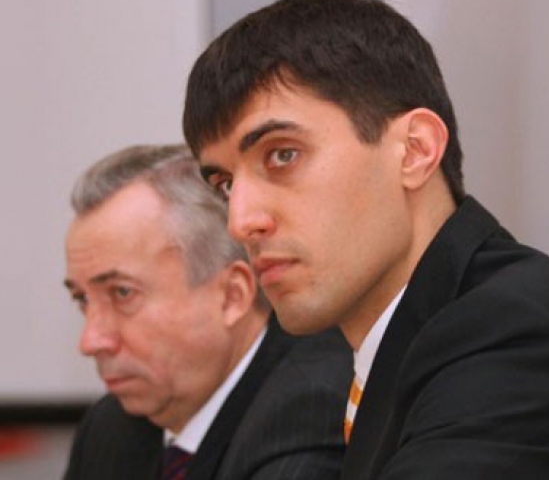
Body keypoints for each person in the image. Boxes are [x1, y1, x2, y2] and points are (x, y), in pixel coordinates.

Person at [182, 0, 549, 479]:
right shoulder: (407, 340)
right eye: (225, 184)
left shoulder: (509, 335)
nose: (240, 221)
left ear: (414, 151)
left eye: (282, 155)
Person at [62, 144, 351, 480]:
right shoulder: (110, 428)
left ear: (231, 296)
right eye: (82, 299)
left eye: (122, 293)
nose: (91, 341)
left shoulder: (311, 412)